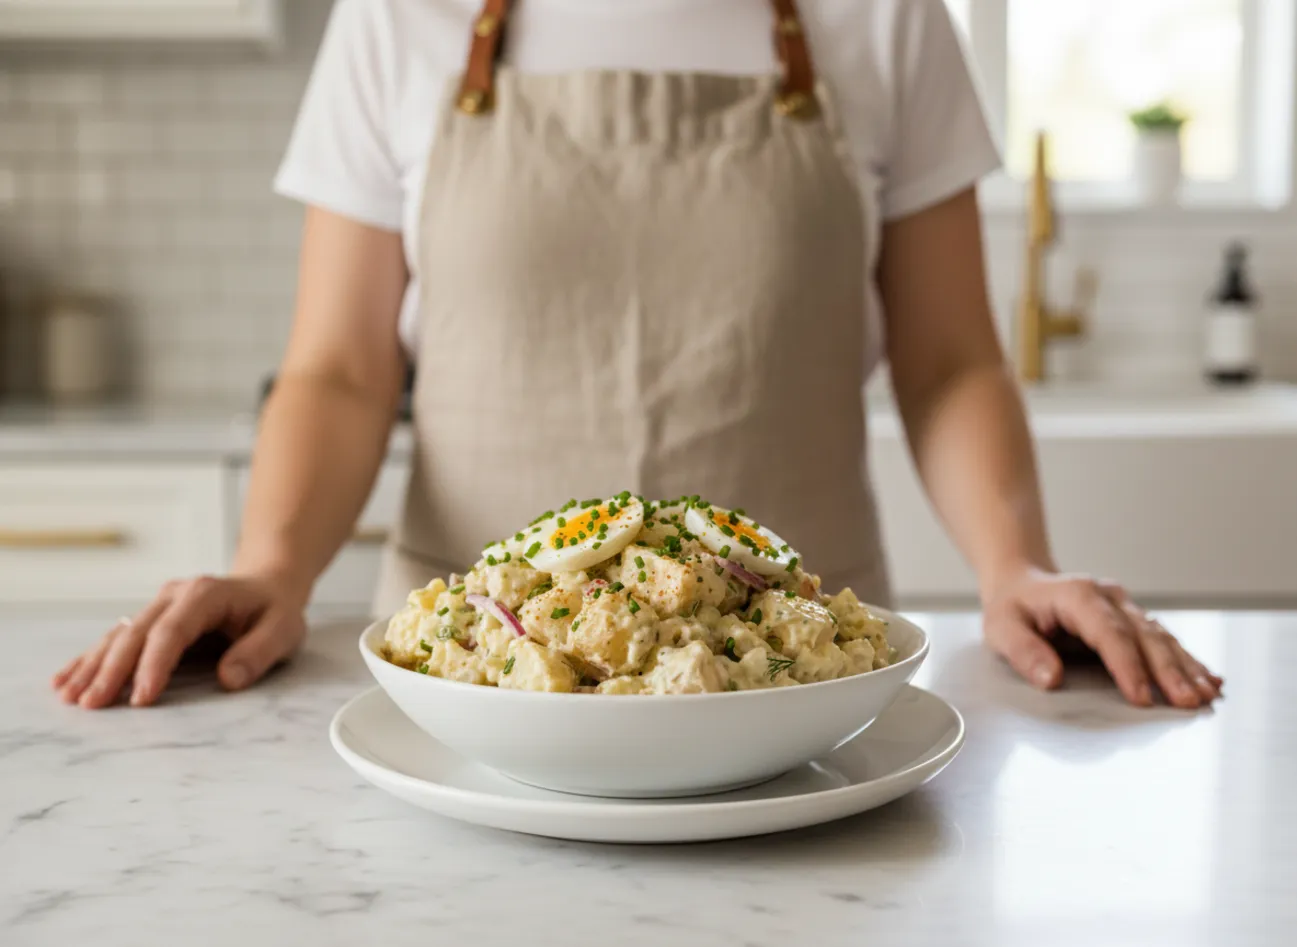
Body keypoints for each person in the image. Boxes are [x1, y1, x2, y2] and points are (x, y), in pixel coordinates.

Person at [53, 0, 1221, 711]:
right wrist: (271, 566)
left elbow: (951, 357)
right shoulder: (396, 15)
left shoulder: (886, 15)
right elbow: (339, 369)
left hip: (788, 693)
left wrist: (1014, 565)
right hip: (477, 689)